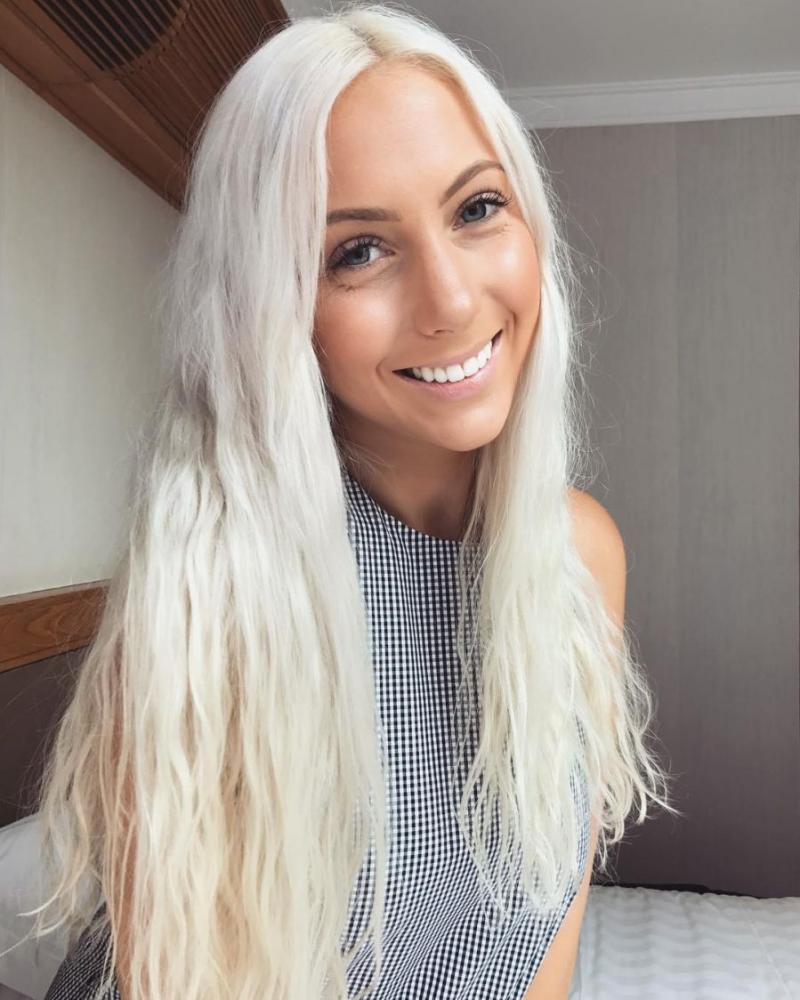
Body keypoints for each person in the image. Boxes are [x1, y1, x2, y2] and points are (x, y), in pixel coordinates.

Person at [31, 3, 679, 998]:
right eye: (358, 252)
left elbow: (544, 929)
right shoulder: (211, 594)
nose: (450, 301)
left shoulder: (580, 553)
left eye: (476, 208)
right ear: (273, 304)